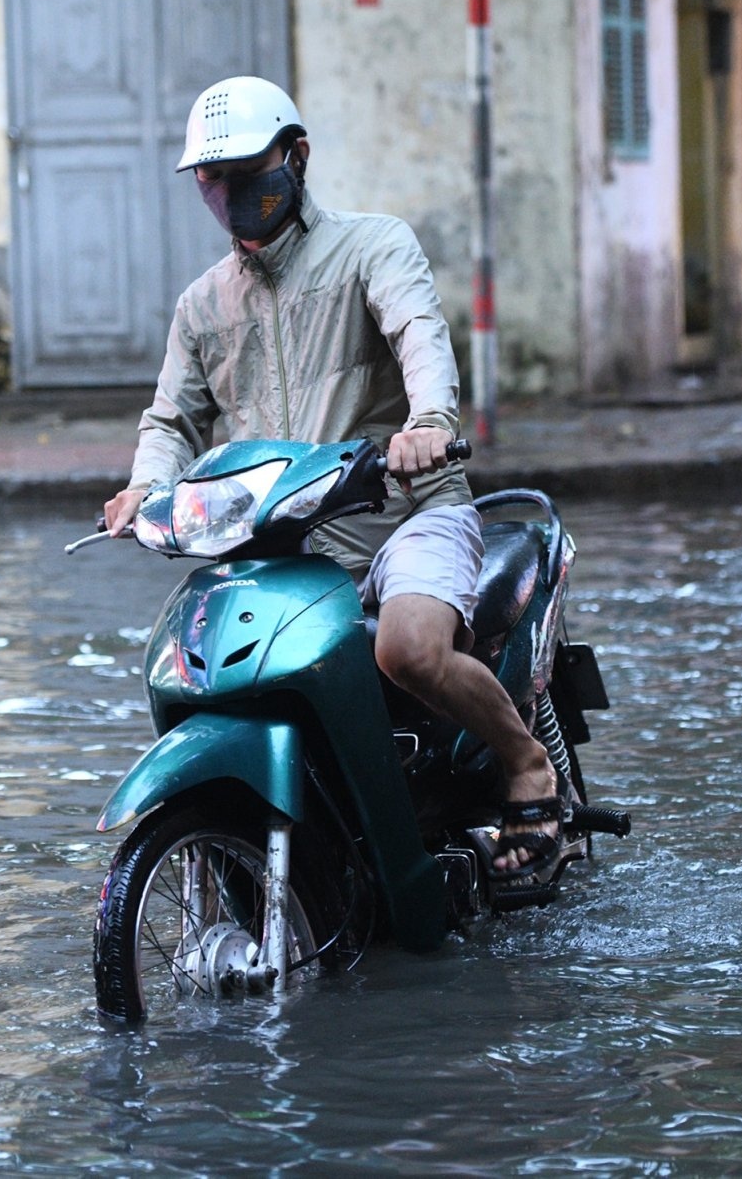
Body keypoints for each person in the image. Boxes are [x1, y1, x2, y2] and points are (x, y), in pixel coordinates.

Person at [101, 76, 562, 882]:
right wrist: (145, 487)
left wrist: (427, 426)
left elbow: (418, 330)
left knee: (409, 649)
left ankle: (525, 763)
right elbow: (170, 419)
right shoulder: (201, 306)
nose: (233, 192)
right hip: (280, 546)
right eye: (214, 179)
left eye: (250, 171)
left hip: (405, 514)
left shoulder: (372, 247)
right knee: (203, 666)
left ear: (297, 157)